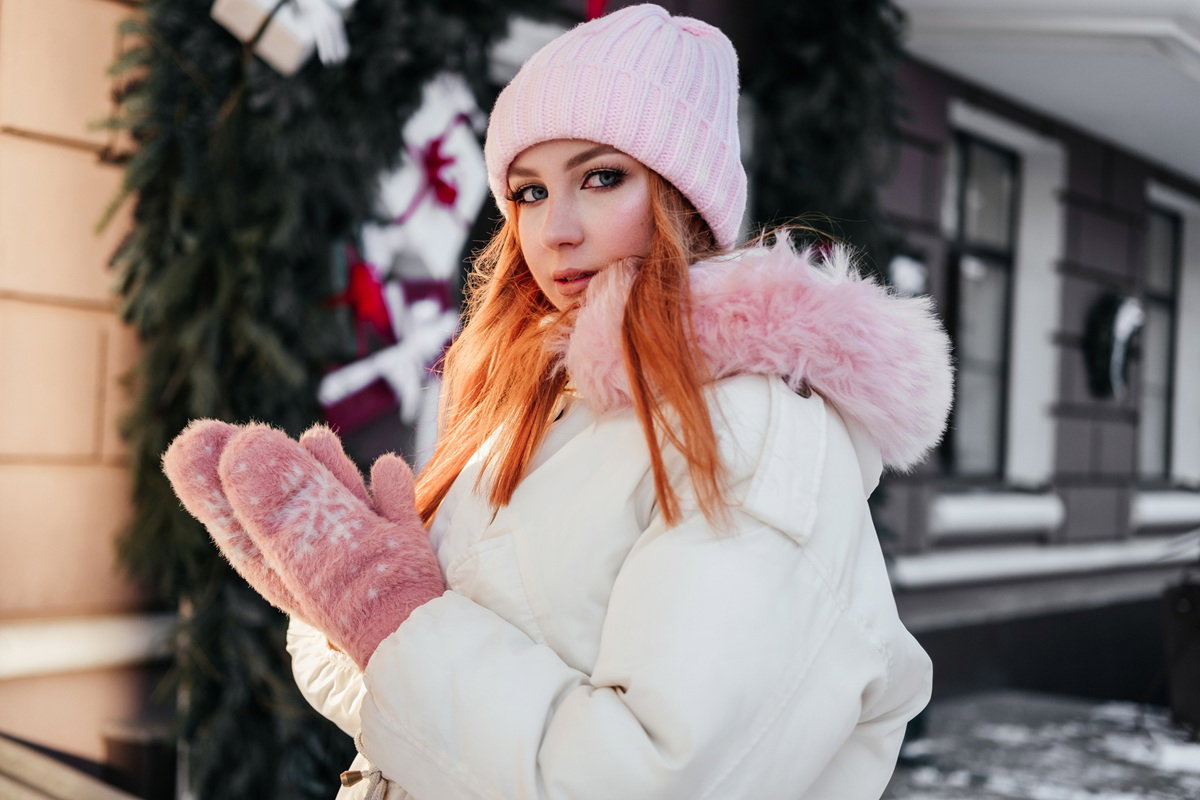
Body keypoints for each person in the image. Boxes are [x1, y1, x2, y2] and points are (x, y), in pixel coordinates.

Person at [163, 4, 954, 798]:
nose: (556, 229)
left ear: (684, 197)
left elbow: (644, 779)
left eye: (602, 177)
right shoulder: (529, 407)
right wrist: (339, 604)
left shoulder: (751, 429)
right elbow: (417, 713)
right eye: (529, 192)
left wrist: (397, 623)